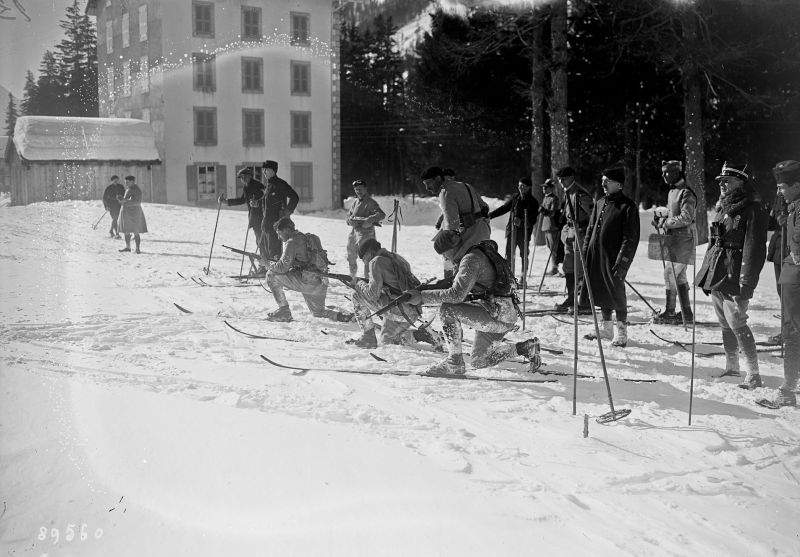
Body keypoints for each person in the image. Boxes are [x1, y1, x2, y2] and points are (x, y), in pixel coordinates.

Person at [405, 230, 539, 375]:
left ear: (451, 249)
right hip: (502, 313)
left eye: (443, 253)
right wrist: (426, 289)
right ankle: (526, 348)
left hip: (497, 315)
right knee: (479, 361)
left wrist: (422, 297)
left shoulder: (470, 260)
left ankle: (454, 362)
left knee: (447, 310)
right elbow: (455, 283)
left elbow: (456, 294)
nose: (444, 257)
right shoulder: (474, 254)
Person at [695, 162, 768, 389]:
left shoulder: (753, 209)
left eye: (728, 181)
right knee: (725, 322)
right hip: (717, 272)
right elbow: (714, 242)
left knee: (737, 321)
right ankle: (732, 366)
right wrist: (706, 273)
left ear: (741, 183)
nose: (722, 184)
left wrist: (747, 282)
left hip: (735, 274)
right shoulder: (723, 207)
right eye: (721, 181)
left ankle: (754, 374)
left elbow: (754, 249)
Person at [581, 168, 640, 347]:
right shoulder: (600, 203)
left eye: (607, 181)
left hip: (614, 258)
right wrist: (585, 251)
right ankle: (606, 328)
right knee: (600, 289)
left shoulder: (628, 206)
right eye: (602, 180)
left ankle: (621, 331)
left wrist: (622, 262)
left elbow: (630, 238)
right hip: (596, 255)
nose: (603, 184)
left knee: (616, 291)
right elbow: (591, 229)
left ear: (619, 184)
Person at [758, 160, 800, 408]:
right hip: (791, 275)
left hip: (796, 276)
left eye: (783, 186)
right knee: (791, 330)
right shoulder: (793, 206)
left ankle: (788, 388)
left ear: (796, 185)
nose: (779, 191)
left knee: (793, 332)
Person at [264, 217, 352, 323]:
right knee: (318, 312)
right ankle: (342, 317)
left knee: (271, 275)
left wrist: (266, 263)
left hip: (307, 282)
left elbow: (282, 268)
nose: (279, 237)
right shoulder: (305, 238)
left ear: (287, 230)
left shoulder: (291, 242)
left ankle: (284, 311)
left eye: (279, 233)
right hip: (320, 282)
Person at [346, 238, 424, 348]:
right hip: (412, 309)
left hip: (399, 311)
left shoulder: (376, 261)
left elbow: (372, 295)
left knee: (356, 295)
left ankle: (368, 337)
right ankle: (419, 335)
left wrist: (358, 283)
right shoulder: (397, 258)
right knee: (386, 341)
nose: (365, 262)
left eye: (363, 258)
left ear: (369, 253)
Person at [652, 160, 697, 324]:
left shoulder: (686, 192)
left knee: (669, 273)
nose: (664, 175)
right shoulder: (673, 192)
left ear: (678, 172)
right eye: (663, 172)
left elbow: (686, 217)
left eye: (668, 172)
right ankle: (687, 314)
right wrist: (660, 218)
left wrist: (666, 222)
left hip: (685, 239)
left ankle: (670, 312)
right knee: (679, 276)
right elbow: (672, 213)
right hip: (674, 240)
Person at [421, 166, 491, 256]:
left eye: (428, 183)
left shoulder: (445, 193)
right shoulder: (466, 186)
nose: (427, 188)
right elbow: (485, 207)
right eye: (425, 184)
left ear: (438, 178)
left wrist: (439, 245)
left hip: (468, 240)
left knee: (458, 265)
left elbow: (452, 228)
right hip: (484, 233)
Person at [554, 166, 593, 313]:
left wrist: (587, 234)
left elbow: (593, 216)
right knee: (568, 267)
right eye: (560, 180)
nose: (561, 182)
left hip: (580, 233)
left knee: (580, 269)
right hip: (570, 233)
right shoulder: (568, 193)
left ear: (571, 177)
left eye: (564, 179)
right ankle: (571, 299)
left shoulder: (580, 194)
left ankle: (585, 302)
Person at [488, 176, 540, 280]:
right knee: (509, 255)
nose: (520, 188)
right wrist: (490, 216)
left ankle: (522, 277)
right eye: (519, 186)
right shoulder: (515, 197)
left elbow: (533, 220)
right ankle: (509, 277)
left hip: (524, 233)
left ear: (529, 187)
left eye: (523, 186)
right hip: (511, 231)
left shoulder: (533, 202)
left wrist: (522, 223)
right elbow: (504, 208)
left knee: (523, 255)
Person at [219, 168, 268, 275]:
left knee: (262, 243)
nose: (242, 180)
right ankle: (264, 266)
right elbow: (242, 200)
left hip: (262, 218)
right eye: (241, 178)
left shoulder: (258, 186)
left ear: (249, 176)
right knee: (260, 243)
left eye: (243, 177)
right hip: (255, 219)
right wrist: (227, 202)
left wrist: (258, 204)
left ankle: (265, 267)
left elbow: (266, 200)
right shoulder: (247, 187)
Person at [346, 179, 386, 280]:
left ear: (366, 189)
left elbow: (381, 214)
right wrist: (349, 220)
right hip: (354, 233)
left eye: (360, 189)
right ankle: (353, 278)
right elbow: (349, 216)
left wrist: (370, 219)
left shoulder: (371, 202)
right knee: (351, 256)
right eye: (356, 189)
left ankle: (368, 281)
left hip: (367, 235)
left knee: (367, 258)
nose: (358, 191)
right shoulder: (355, 202)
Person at [261, 160, 299, 261]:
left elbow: (295, 197)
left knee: (274, 252)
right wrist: (256, 203)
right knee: (263, 248)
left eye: (267, 170)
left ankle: (275, 274)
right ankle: (266, 271)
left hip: (276, 224)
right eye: (263, 170)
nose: (264, 172)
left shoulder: (280, 184)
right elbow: (267, 202)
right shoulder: (268, 185)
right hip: (266, 223)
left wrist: (287, 211)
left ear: (273, 171)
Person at [766, 189, 789, 344]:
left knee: (792, 296)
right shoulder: (780, 195)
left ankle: (791, 333)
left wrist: (789, 219)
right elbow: (771, 224)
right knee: (783, 293)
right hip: (779, 250)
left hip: (792, 252)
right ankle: (786, 332)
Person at [117, 176, 148, 253]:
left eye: (127, 182)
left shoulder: (136, 189)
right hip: (127, 212)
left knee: (135, 231)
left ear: (133, 181)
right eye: (125, 182)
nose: (126, 183)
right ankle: (128, 247)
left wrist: (125, 201)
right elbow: (127, 199)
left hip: (134, 213)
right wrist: (122, 200)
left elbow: (137, 202)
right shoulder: (129, 188)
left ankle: (137, 248)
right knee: (126, 230)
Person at [539, 178, 562, 276]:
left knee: (554, 249)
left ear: (551, 188)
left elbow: (553, 212)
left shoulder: (554, 199)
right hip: (546, 227)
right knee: (550, 248)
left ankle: (555, 268)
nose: (544, 189)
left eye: (546, 187)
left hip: (552, 227)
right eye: (543, 187)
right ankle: (554, 267)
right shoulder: (545, 198)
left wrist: (544, 211)